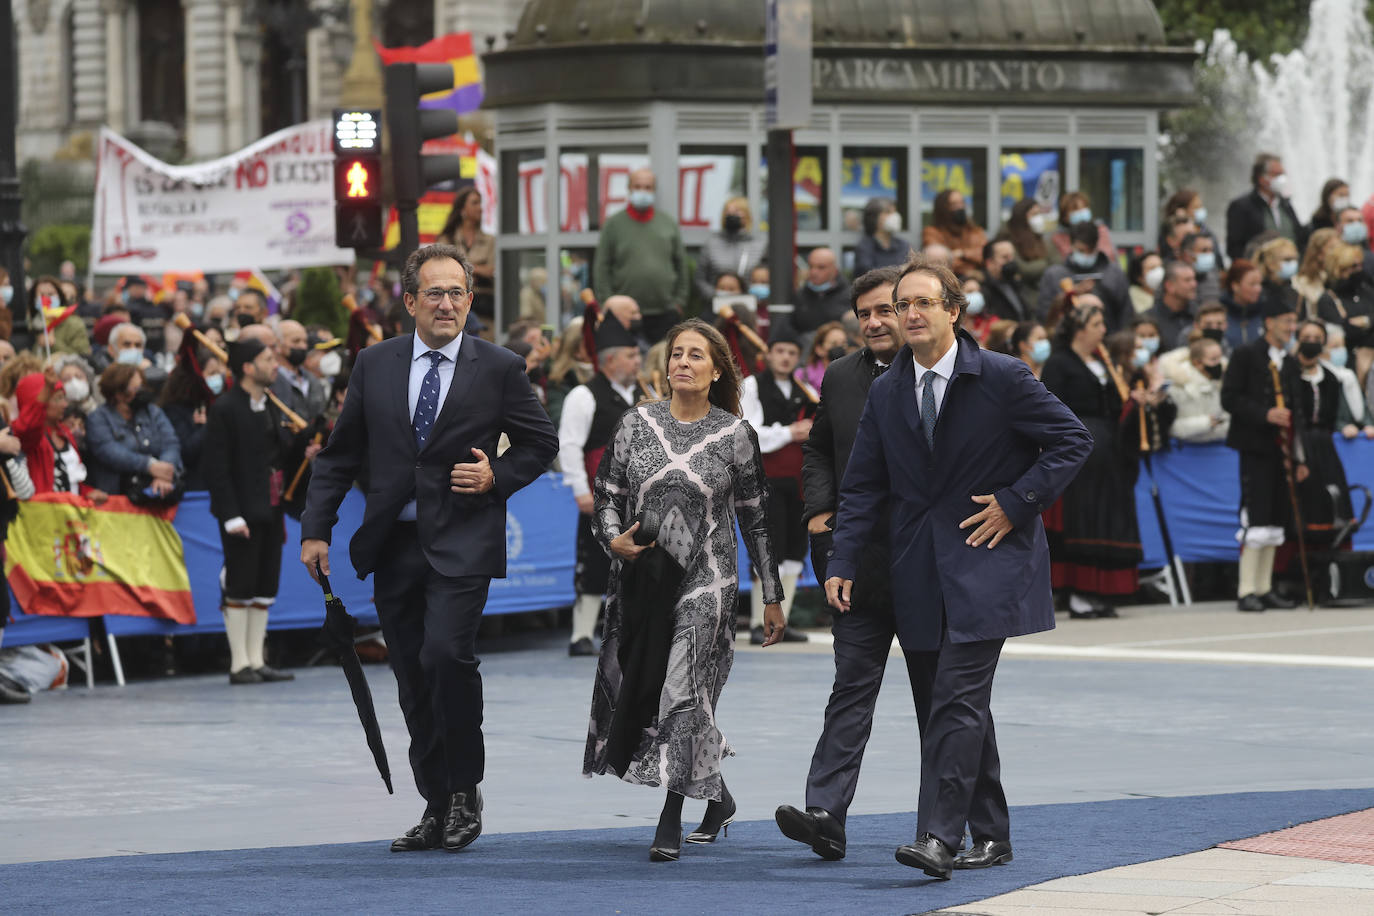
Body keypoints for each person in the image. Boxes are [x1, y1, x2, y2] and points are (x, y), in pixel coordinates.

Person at [823, 254, 1090, 879]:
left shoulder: (1001, 375)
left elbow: (1073, 440)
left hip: (988, 562)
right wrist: (843, 559)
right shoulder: (888, 389)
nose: (910, 313)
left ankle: (938, 837)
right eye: (901, 304)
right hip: (917, 568)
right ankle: (991, 833)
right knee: (946, 706)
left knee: (957, 700)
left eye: (922, 303)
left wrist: (1017, 502)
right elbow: (862, 485)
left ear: (953, 311)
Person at [301, 244, 559, 853]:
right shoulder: (374, 363)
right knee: (412, 675)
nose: (447, 304)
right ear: (410, 301)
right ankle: (435, 801)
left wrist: (497, 476)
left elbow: (538, 443)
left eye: (457, 294)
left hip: (463, 539)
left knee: (447, 657)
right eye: (434, 294)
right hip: (393, 544)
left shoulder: (499, 367)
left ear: (471, 301)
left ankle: (466, 789)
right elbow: (339, 456)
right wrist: (317, 529)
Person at [583, 318, 785, 863]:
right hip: (644, 578)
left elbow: (757, 519)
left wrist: (772, 594)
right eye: (676, 354)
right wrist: (612, 540)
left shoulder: (735, 434)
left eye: (696, 355)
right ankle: (717, 797)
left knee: (682, 688)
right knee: (648, 687)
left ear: (716, 369)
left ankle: (670, 814)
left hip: (709, 579)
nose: (683, 363)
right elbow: (607, 493)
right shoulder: (634, 425)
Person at [775, 265, 939, 862]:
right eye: (863, 313)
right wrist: (819, 514)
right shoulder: (841, 376)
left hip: (926, 564)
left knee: (939, 699)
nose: (873, 322)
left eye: (884, 310)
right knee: (850, 687)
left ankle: (948, 827)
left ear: (910, 310)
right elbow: (818, 448)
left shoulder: (940, 376)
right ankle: (825, 812)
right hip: (856, 564)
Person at [202, 337, 308, 685]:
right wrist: (230, 515)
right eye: (266, 359)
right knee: (240, 585)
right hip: (241, 513)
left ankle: (256, 660)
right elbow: (217, 468)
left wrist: (306, 452)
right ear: (248, 368)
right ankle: (239, 663)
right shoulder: (225, 409)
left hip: (271, 509)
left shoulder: (272, 406)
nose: (274, 364)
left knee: (264, 586)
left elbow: (279, 456)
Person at [1040, 304, 1150, 619]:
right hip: (1079, 451)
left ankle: (1102, 591)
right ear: (1080, 328)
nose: (1104, 330)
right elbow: (1050, 404)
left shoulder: (1105, 363)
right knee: (1083, 518)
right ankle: (1078, 594)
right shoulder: (1060, 363)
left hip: (1108, 451)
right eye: (1098, 323)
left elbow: (1113, 407)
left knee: (1108, 518)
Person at [557, 315, 645, 657]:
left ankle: (630, 630)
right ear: (610, 359)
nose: (637, 362)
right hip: (602, 495)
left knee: (638, 562)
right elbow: (570, 444)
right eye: (630, 356)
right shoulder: (584, 395)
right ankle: (581, 634)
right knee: (595, 564)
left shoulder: (642, 394)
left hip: (639, 498)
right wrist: (580, 489)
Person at [1220, 294, 1305, 613]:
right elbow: (1230, 398)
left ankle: (1265, 586)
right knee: (1256, 515)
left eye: (1294, 322)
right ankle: (1247, 589)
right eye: (1287, 322)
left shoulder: (1290, 361)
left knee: (1276, 516)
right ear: (1269, 323)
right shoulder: (1246, 355)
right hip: (1255, 446)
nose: (1291, 328)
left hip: (1281, 450)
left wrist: (1300, 457)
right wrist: (1264, 414)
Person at [740, 326, 813, 645]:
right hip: (766, 479)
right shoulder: (752, 386)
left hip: (799, 481)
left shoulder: (804, 389)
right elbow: (748, 431)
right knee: (769, 550)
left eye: (792, 353)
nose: (785, 358)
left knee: (795, 551)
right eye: (780, 351)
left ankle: (782, 622)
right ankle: (760, 622)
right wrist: (789, 432)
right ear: (767, 355)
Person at [593, 168, 689, 343]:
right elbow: (602, 268)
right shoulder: (613, 224)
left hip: (665, 313)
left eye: (647, 187)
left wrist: (679, 302)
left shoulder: (667, 223)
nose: (642, 191)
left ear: (654, 190)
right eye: (638, 186)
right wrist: (608, 304)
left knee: (663, 365)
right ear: (629, 189)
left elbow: (681, 264)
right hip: (624, 316)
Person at [1291, 321, 1356, 545]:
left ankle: (1331, 544)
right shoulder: (1288, 373)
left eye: (1317, 338)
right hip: (1298, 440)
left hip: (1324, 444)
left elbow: (1338, 413)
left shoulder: (1330, 377)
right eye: (1306, 338)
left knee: (1331, 494)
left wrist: (1345, 426)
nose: (1311, 343)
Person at [83, 364, 182, 498]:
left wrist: (164, 472)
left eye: (142, 386)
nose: (142, 391)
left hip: (158, 491)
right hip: (117, 497)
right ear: (118, 394)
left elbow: (170, 442)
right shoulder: (98, 419)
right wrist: (149, 466)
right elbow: (109, 452)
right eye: (136, 388)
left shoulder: (152, 412)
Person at [10, 372, 105, 500]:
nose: (65, 404)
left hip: (70, 514)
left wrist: (86, 492)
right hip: (44, 514)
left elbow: (71, 477)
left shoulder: (64, 432)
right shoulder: (27, 436)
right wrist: (47, 390)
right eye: (57, 398)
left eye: (64, 398)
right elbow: (29, 426)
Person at [1038, 222, 1131, 332]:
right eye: (1081, 250)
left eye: (1090, 250)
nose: (1086, 255)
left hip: (1109, 340)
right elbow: (1045, 315)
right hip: (1067, 342)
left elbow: (1126, 314)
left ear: (1097, 246)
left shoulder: (1113, 274)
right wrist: (1071, 294)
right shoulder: (1054, 275)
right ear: (1071, 246)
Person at [158, 346, 225, 491]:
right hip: (195, 489)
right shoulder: (175, 409)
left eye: (219, 373)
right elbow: (185, 452)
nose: (218, 378)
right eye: (212, 373)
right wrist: (207, 426)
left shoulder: (219, 403)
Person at [1226, 153, 1305, 261]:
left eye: (1283, 174)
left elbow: (1299, 237)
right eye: (1277, 175)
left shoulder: (1285, 205)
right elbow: (1234, 248)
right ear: (1262, 179)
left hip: (1289, 269)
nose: (1282, 179)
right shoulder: (1242, 206)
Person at [1315, 243, 1374, 386]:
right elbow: (1345, 331)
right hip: (1350, 363)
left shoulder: (1366, 289)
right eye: (1353, 267)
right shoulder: (1328, 299)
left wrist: (1365, 321)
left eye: (1360, 265)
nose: (1359, 270)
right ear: (1338, 270)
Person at [437, 188, 496, 321]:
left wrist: (462, 269)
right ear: (462, 209)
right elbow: (441, 270)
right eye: (475, 203)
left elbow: (491, 271)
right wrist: (477, 270)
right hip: (453, 305)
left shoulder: (490, 240)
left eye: (480, 203)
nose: (480, 208)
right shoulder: (446, 239)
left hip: (484, 307)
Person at [694, 196, 767, 304]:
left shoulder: (760, 244)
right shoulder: (712, 243)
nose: (731, 214)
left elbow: (767, 278)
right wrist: (715, 296)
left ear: (747, 216)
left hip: (752, 306)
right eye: (728, 211)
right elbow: (700, 279)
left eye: (737, 211)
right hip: (717, 307)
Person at [1168, 336, 1230, 443]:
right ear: (1197, 363)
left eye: (1220, 358)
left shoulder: (1223, 381)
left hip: (1221, 446)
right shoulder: (1177, 386)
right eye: (1214, 359)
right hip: (1187, 449)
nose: (1220, 363)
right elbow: (1172, 427)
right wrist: (1206, 423)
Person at [270, 319, 328, 424]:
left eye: (305, 341)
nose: (303, 346)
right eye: (296, 341)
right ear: (278, 344)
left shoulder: (313, 380)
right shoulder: (270, 380)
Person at [999, 198, 1052, 309]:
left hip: (1043, 292)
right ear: (1021, 217)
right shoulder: (1008, 237)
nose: (1038, 218)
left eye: (1039, 214)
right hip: (1023, 294)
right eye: (1034, 214)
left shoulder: (1038, 236)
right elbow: (1023, 269)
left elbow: (1057, 261)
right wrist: (1044, 263)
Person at [922, 189, 987, 277]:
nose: (960, 207)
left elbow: (985, 255)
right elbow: (939, 261)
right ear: (943, 208)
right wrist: (968, 271)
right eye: (954, 204)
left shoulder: (975, 231)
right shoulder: (932, 232)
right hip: (949, 278)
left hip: (978, 278)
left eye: (962, 203)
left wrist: (962, 253)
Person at [792, 247, 852, 335]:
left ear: (834, 270)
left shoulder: (850, 296)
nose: (813, 272)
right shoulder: (800, 295)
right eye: (811, 266)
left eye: (821, 267)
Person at [1160, 188, 1223, 268]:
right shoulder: (1169, 231)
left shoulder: (1203, 229)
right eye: (1196, 207)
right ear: (1182, 210)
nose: (1200, 210)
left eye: (1201, 206)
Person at [28, 275, 89, 357]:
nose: (46, 299)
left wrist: (54, 343)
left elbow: (83, 356)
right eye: (42, 295)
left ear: (60, 296)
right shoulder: (34, 324)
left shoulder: (75, 324)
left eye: (50, 294)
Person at [1050, 190, 1116, 261]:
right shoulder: (1058, 238)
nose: (1081, 212)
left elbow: (1108, 256)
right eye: (1075, 209)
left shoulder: (1100, 230)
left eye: (1084, 207)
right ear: (1064, 217)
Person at [854, 197, 912, 276]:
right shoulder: (864, 247)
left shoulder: (903, 245)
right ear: (874, 217)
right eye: (888, 212)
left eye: (894, 211)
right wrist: (899, 271)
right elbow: (867, 274)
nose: (895, 216)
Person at [1147, 262, 1198, 351]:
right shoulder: (1150, 319)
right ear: (1169, 286)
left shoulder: (1198, 315)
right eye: (1187, 280)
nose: (1194, 284)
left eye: (1194, 279)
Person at [1294, 227, 1340, 319]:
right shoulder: (1301, 281)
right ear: (1318, 253)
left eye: (1340, 247)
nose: (1338, 252)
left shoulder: (1343, 276)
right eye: (1332, 248)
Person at [980, 239, 1029, 322]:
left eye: (1012, 257)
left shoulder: (1015, 282)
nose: (1010, 262)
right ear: (989, 263)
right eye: (1005, 257)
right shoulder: (982, 288)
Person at [1222, 258, 1265, 350]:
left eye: (1260, 284)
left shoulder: (1266, 314)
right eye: (1252, 284)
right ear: (1235, 286)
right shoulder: (1221, 314)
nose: (1258, 289)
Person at [801, 321, 849, 390]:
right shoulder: (804, 376)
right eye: (834, 344)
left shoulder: (854, 374)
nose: (840, 347)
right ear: (819, 349)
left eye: (843, 343)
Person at [1179, 232, 1222, 304]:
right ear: (1187, 255)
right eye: (1204, 250)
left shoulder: (1213, 273)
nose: (1209, 254)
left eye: (1211, 250)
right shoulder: (1174, 275)